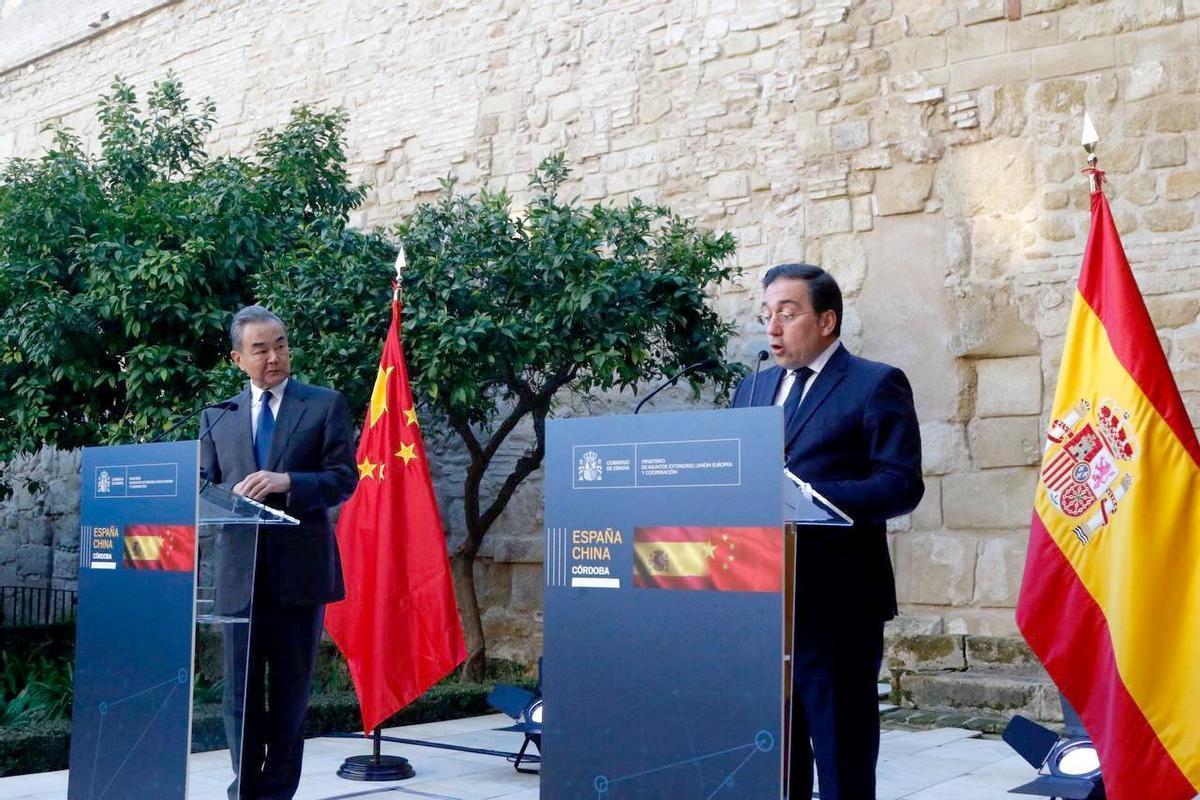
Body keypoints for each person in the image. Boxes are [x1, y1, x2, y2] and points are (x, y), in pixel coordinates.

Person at [731, 263, 923, 800]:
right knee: (774, 751)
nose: (772, 328)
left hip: (837, 602)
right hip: (763, 600)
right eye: (766, 315)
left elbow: (900, 484)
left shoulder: (874, 383)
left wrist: (810, 500)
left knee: (841, 748)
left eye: (787, 314)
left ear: (827, 321)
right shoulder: (752, 389)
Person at [200, 305, 357, 800]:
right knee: (239, 698)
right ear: (237, 358)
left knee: (289, 696)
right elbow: (205, 487)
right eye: (261, 349)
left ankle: (277, 793)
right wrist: (227, 496)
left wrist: (287, 482)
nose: (274, 357)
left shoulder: (324, 405)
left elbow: (343, 480)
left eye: (281, 344)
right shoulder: (217, 417)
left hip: (299, 575)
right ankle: (243, 789)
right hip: (239, 577)